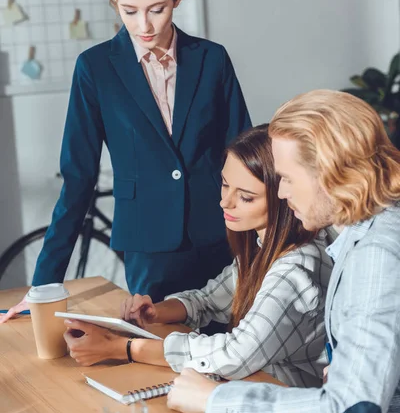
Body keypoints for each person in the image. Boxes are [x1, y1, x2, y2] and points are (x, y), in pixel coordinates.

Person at [0, 0, 251, 323]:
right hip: (148, 247)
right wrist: (44, 287)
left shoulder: (212, 60)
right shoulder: (95, 68)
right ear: (115, 0)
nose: (144, 25)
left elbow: (244, 156)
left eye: (157, 9)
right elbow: (78, 178)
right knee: (157, 357)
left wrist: (265, 244)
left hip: (221, 238)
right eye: (129, 10)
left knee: (230, 356)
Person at [166, 90, 400, 413]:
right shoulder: (369, 231)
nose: (282, 194)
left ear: (330, 173)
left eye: (286, 178)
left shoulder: (375, 256)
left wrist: (217, 401)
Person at [63, 125, 332, 387]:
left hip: (282, 396)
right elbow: (208, 300)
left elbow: (235, 355)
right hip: (254, 385)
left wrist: (122, 348)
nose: (225, 202)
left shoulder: (294, 268)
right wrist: (155, 312)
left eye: (246, 197)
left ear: (284, 197)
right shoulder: (263, 246)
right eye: (225, 185)